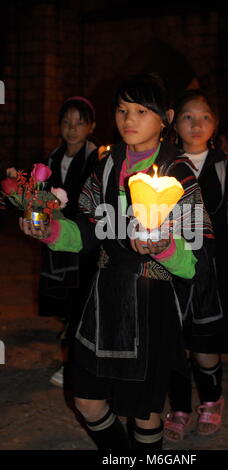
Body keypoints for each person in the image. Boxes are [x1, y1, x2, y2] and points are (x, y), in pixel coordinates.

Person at [19, 73, 215, 451]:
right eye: (123, 110)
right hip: (105, 295)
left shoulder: (180, 174)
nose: (129, 119)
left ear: (166, 118)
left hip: (152, 299)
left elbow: (195, 262)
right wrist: (51, 232)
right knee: (87, 401)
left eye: (141, 111)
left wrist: (162, 247)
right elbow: (87, 230)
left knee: (143, 412)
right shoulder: (106, 167)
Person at [164, 89, 228, 441]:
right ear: (173, 121)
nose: (196, 124)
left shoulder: (222, 166)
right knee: (174, 343)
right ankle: (181, 407)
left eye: (204, 117)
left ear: (214, 124)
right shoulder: (167, 164)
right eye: (188, 116)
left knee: (204, 343)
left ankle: (212, 400)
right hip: (171, 265)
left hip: (211, 270)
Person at [38, 96, 99, 387]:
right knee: (64, 300)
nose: (72, 129)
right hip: (57, 237)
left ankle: (74, 364)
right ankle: (71, 352)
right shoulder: (52, 158)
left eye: (80, 123)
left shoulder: (97, 158)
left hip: (84, 241)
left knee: (82, 301)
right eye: (66, 122)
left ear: (91, 126)